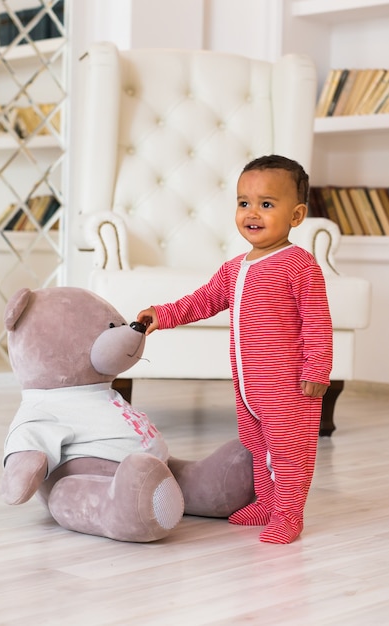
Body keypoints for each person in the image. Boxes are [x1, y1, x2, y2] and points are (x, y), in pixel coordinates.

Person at [137, 154, 333, 544]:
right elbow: (203, 300)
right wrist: (164, 314)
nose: (251, 213)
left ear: (295, 216)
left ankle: (289, 513)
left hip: (288, 386)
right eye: (244, 202)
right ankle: (266, 501)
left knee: (289, 452)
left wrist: (316, 370)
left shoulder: (299, 264)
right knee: (257, 446)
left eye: (266, 204)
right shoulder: (234, 268)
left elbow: (316, 321)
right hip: (249, 385)